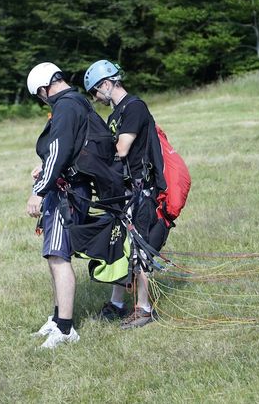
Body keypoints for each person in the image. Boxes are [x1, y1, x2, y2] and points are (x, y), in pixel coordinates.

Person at [83, 60, 169, 329]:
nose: (96, 99)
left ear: (106, 84)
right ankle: (118, 304)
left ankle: (144, 309)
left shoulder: (134, 107)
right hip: (125, 192)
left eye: (96, 92)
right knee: (120, 248)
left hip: (141, 191)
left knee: (139, 250)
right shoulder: (114, 115)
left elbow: (121, 148)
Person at [26, 62, 93, 348]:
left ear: (43, 89)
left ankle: (65, 329)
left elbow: (59, 149)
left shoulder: (66, 106)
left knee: (58, 255)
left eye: (40, 96)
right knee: (54, 254)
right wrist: (45, 169)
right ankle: (56, 319)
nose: (43, 101)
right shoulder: (77, 101)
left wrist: (39, 191)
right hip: (69, 186)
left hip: (68, 192)